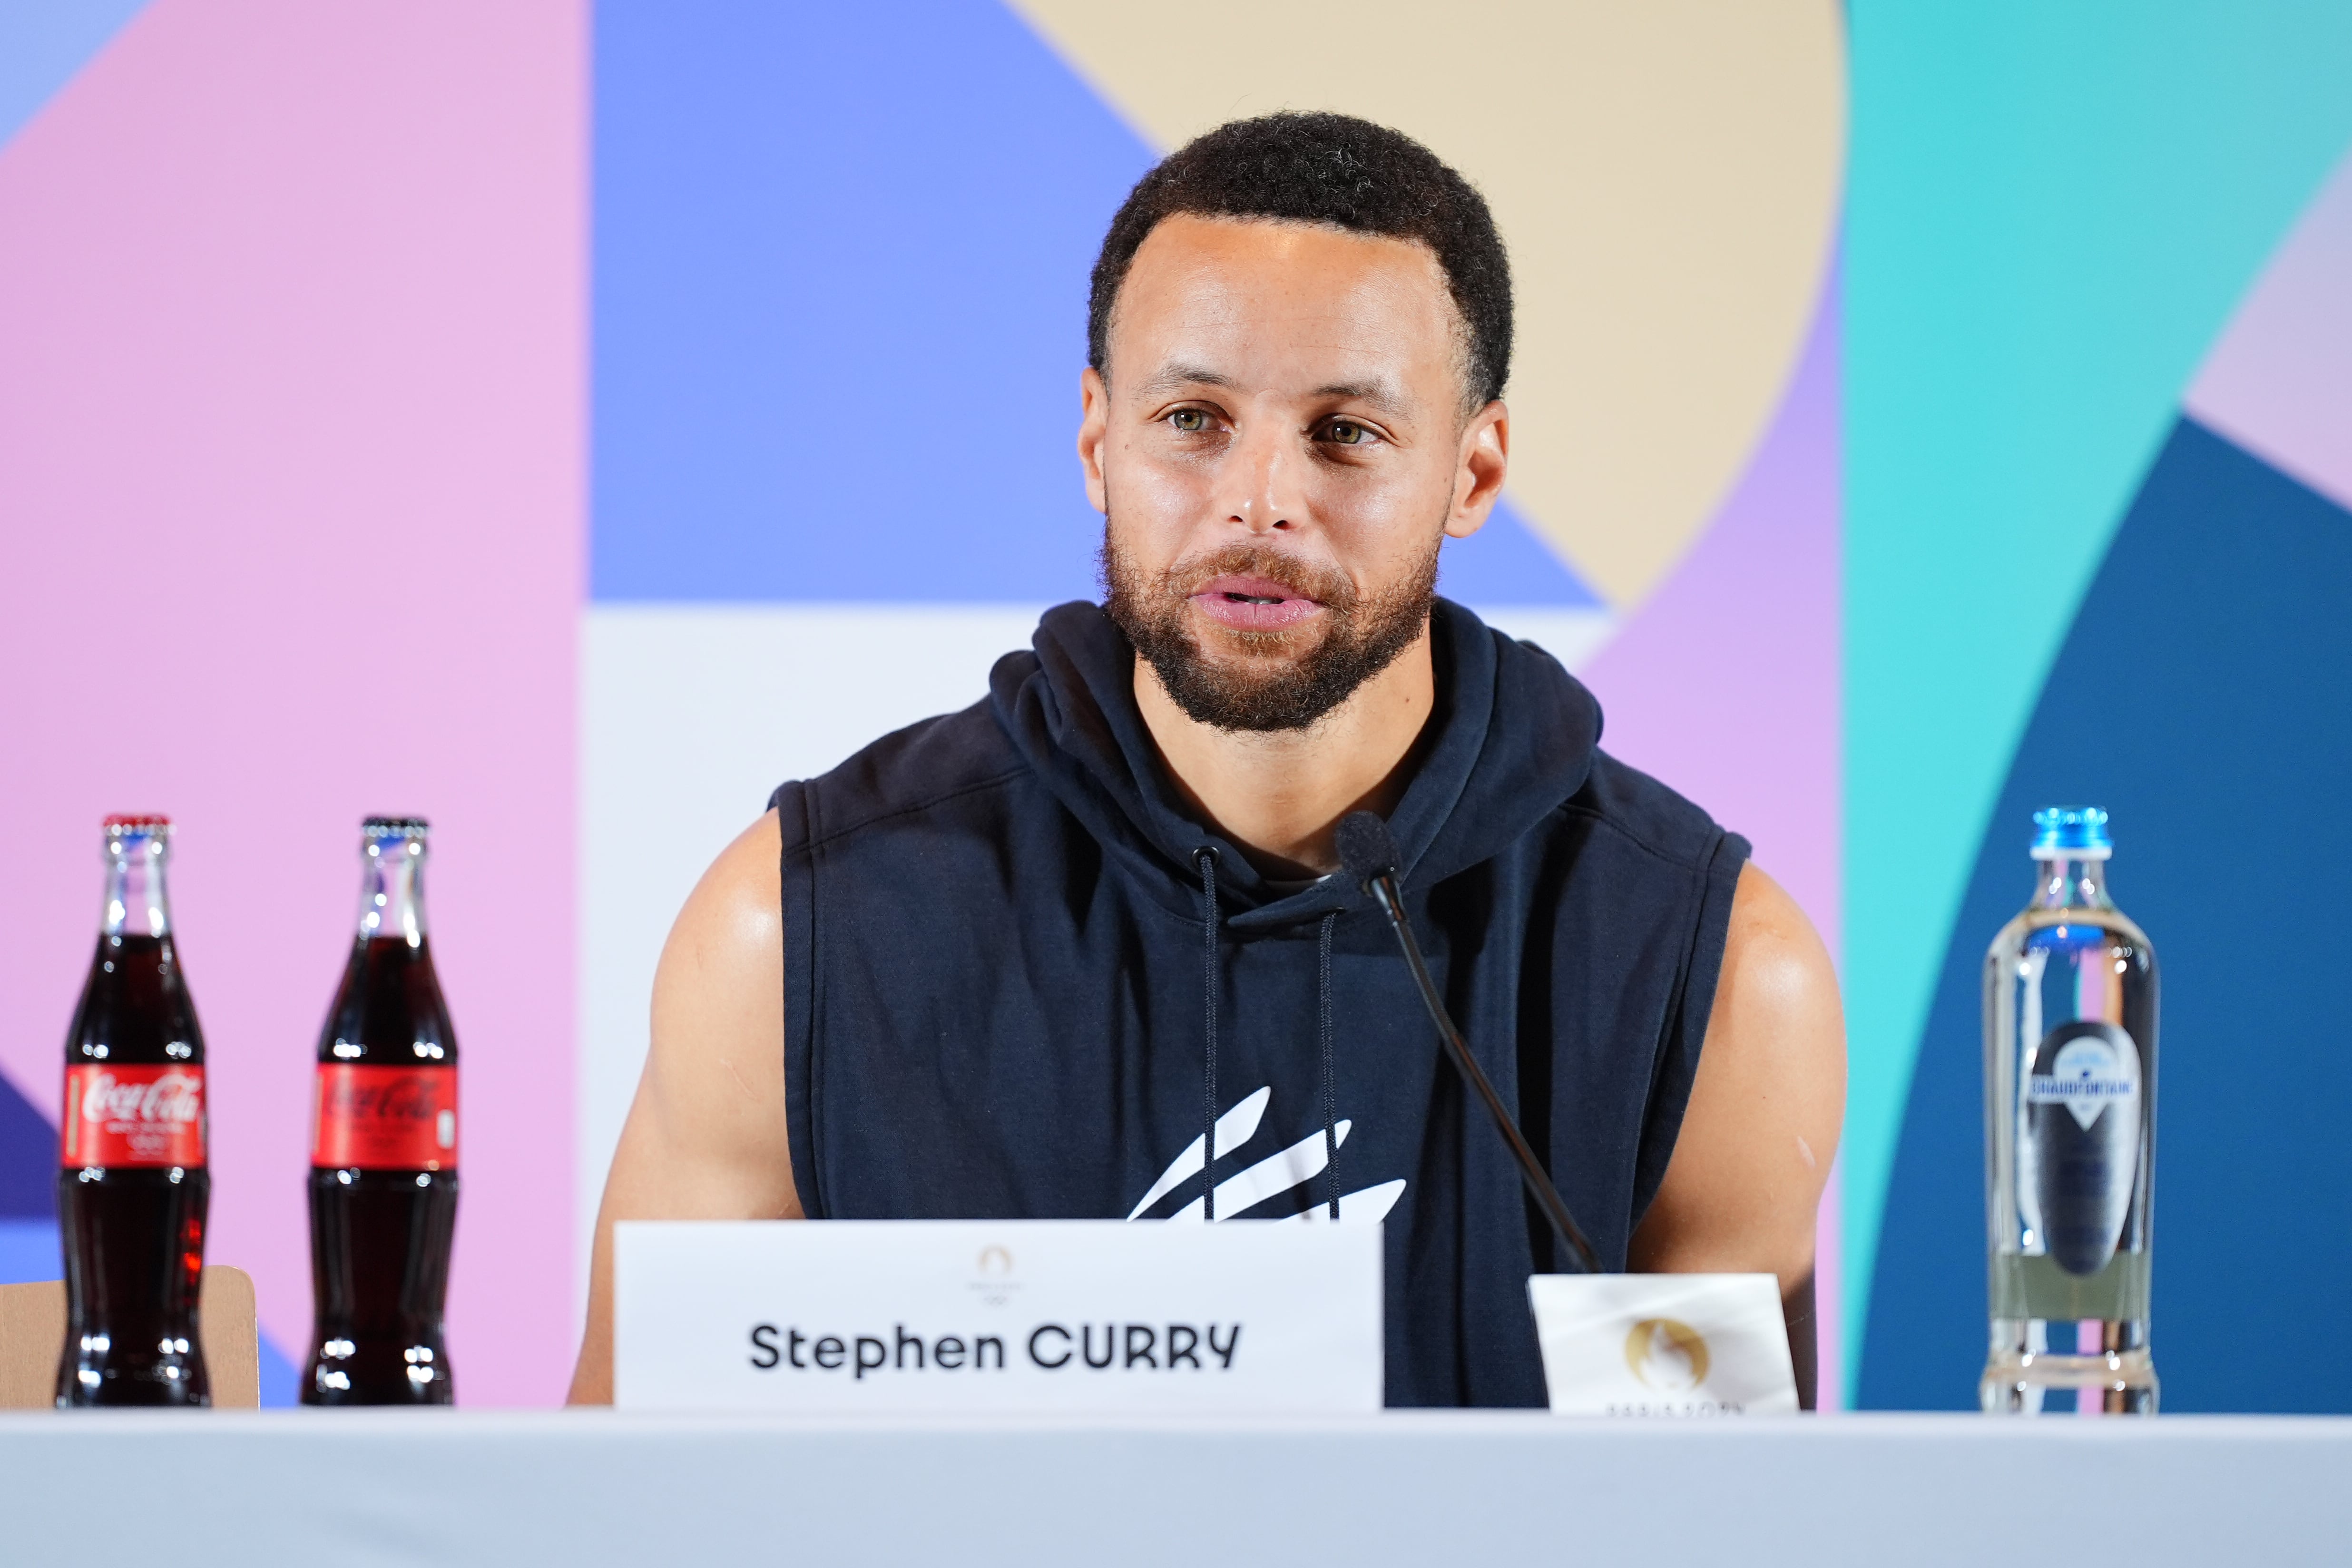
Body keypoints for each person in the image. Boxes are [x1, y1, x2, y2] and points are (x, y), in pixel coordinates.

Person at [568, 112, 1844, 1408]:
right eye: (1193, 418)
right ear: (1096, 442)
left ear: (1475, 470)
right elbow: (619, 1519)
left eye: (1346, 431)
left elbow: (1706, 1530)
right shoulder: (799, 933)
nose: (1259, 502)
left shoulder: (1712, 978)